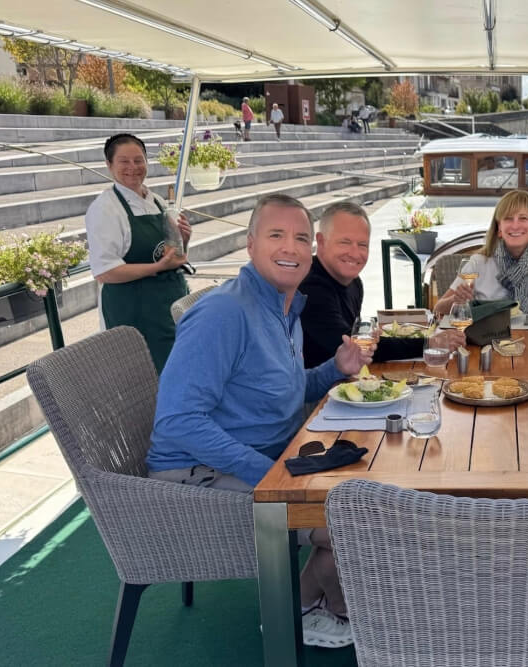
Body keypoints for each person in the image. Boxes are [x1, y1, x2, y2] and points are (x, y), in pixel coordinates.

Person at [147, 193, 372, 648]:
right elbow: (178, 421)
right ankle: (303, 608)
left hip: (266, 458)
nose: (290, 248)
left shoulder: (283, 305)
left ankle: (317, 600)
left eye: (300, 238)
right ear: (250, 244)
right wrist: (268, 474)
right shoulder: (224, 312)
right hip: (199, 475)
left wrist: (335, 369)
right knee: (358, 520)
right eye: (276, 235)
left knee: (371, 487)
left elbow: (284, 390)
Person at [300, 201, 465, 368]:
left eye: (362, 244)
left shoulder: (354, 283)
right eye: (345, 242)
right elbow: (353, 347)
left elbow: (359, 340)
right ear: (320, 241)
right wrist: (429, 343)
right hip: (319, 391)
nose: (355, 253)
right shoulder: (310, 288)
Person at [84, 133, 190, 374]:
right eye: (124, 162)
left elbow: (172, 255)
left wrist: (183, 240)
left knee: (179, 375)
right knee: (147, 380)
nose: (133, 168)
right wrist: (157, 268)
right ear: (109, 165)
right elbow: (106, 272)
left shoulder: (157, 201)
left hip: (168, 306)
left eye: (138, 160)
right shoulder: (105, 209)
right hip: (134, 313)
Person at [434, 190, 528, 317]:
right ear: (499, 229)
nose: (515, 226)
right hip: (486, 338)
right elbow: (438, 309)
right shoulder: (478, 263)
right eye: (508, 219)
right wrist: (456, 300)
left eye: (523, 218)